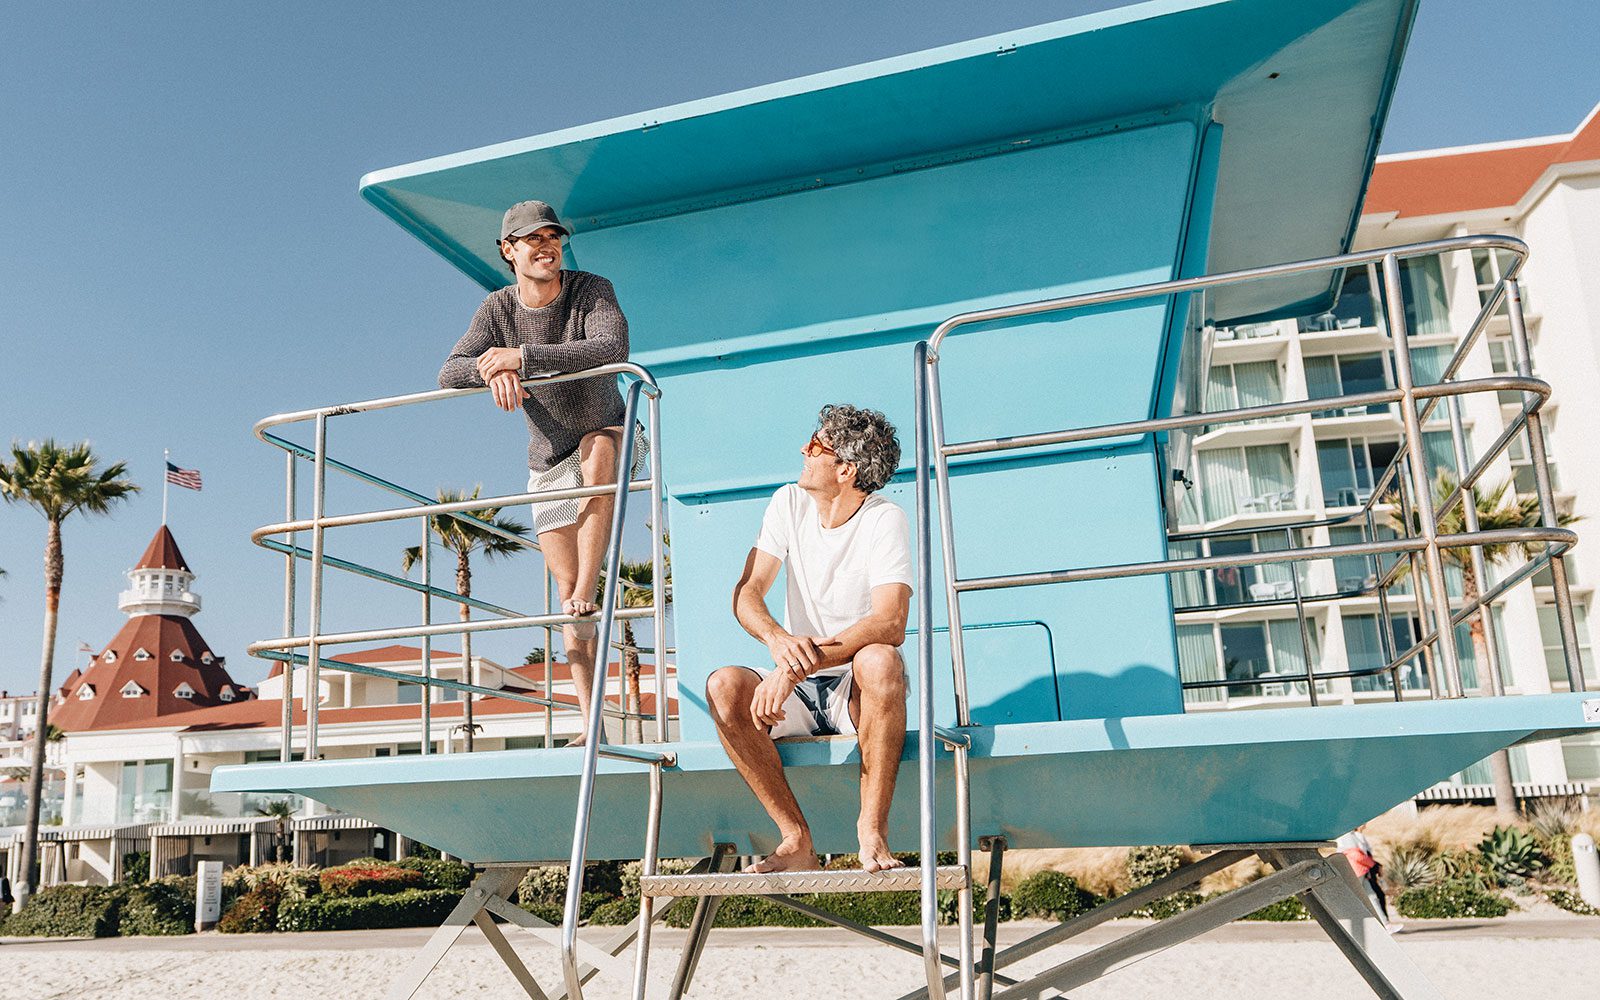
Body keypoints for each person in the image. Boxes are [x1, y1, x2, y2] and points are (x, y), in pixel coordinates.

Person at [438, 200, 646, 746]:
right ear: (509, 251)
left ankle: (589, 582)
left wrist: (521, 360)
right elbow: (449, 370)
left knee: (599, 447)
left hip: (614, 435)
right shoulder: (496, 309)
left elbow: (610, 347)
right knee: (565, 599)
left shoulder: (591, 289)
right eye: (532, 239)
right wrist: (492, 371)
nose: (546, 245)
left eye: (553, 236)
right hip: (549, 462)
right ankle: (590, 723)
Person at [706, 404, 912, 874]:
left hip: (854, 690)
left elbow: (890, 621)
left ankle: (872, 833)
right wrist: (778, 641)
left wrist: (795, 665)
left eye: (816, 444)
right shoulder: (788, 502)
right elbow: (748, 592)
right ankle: (796, 840)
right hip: (798, 685)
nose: (804, 448)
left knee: (880, 659)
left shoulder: (885, 519)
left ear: (846, 468)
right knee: (724, 686)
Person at [1336, 825, 1401, 932]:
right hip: (1356, 871)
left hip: (1361, 871)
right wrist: (1373, 865)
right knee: (1361, 898)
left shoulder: (1350, 834)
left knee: (1372, 897)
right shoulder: (1346, 835)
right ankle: (1349, 925)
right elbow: (1356, 855)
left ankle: (1385, 925)